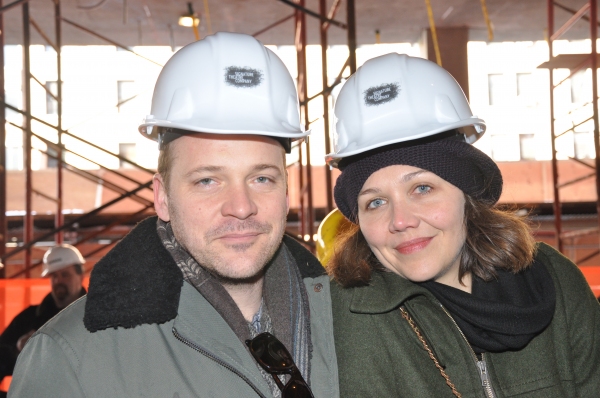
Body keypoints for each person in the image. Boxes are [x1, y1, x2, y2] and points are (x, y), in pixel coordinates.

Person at [9, 32, 339, 398]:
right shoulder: (69, 360)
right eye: (208, 180)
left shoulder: (347, 322)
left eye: (261, 178)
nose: (242, 206)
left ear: (287, 190)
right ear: (162, 198)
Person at [325, 53, 600, 397]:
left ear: (467, 192)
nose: (400, 221)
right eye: (375, 202)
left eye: (421, 188)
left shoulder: (557, 281)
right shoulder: (345, 318)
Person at [0, 244, 86, 382]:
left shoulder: (97, 318)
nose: (59, 281)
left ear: (81, 276)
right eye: (54, 276)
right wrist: (19, 351)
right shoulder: (30, 318)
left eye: (65, 275)